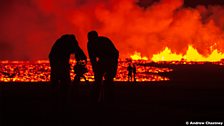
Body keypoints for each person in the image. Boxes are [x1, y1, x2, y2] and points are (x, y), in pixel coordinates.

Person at [87, 31, 119, 103]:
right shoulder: (90, 44)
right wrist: (95, 68)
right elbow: (92, 58)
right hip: (104, 60)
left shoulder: (103, 41)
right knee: (98, 80)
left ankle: (108, 98)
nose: (90, 40)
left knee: (108, 80)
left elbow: (115, 53)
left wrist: (112, 65)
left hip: (111, 59)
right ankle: (98, 98)